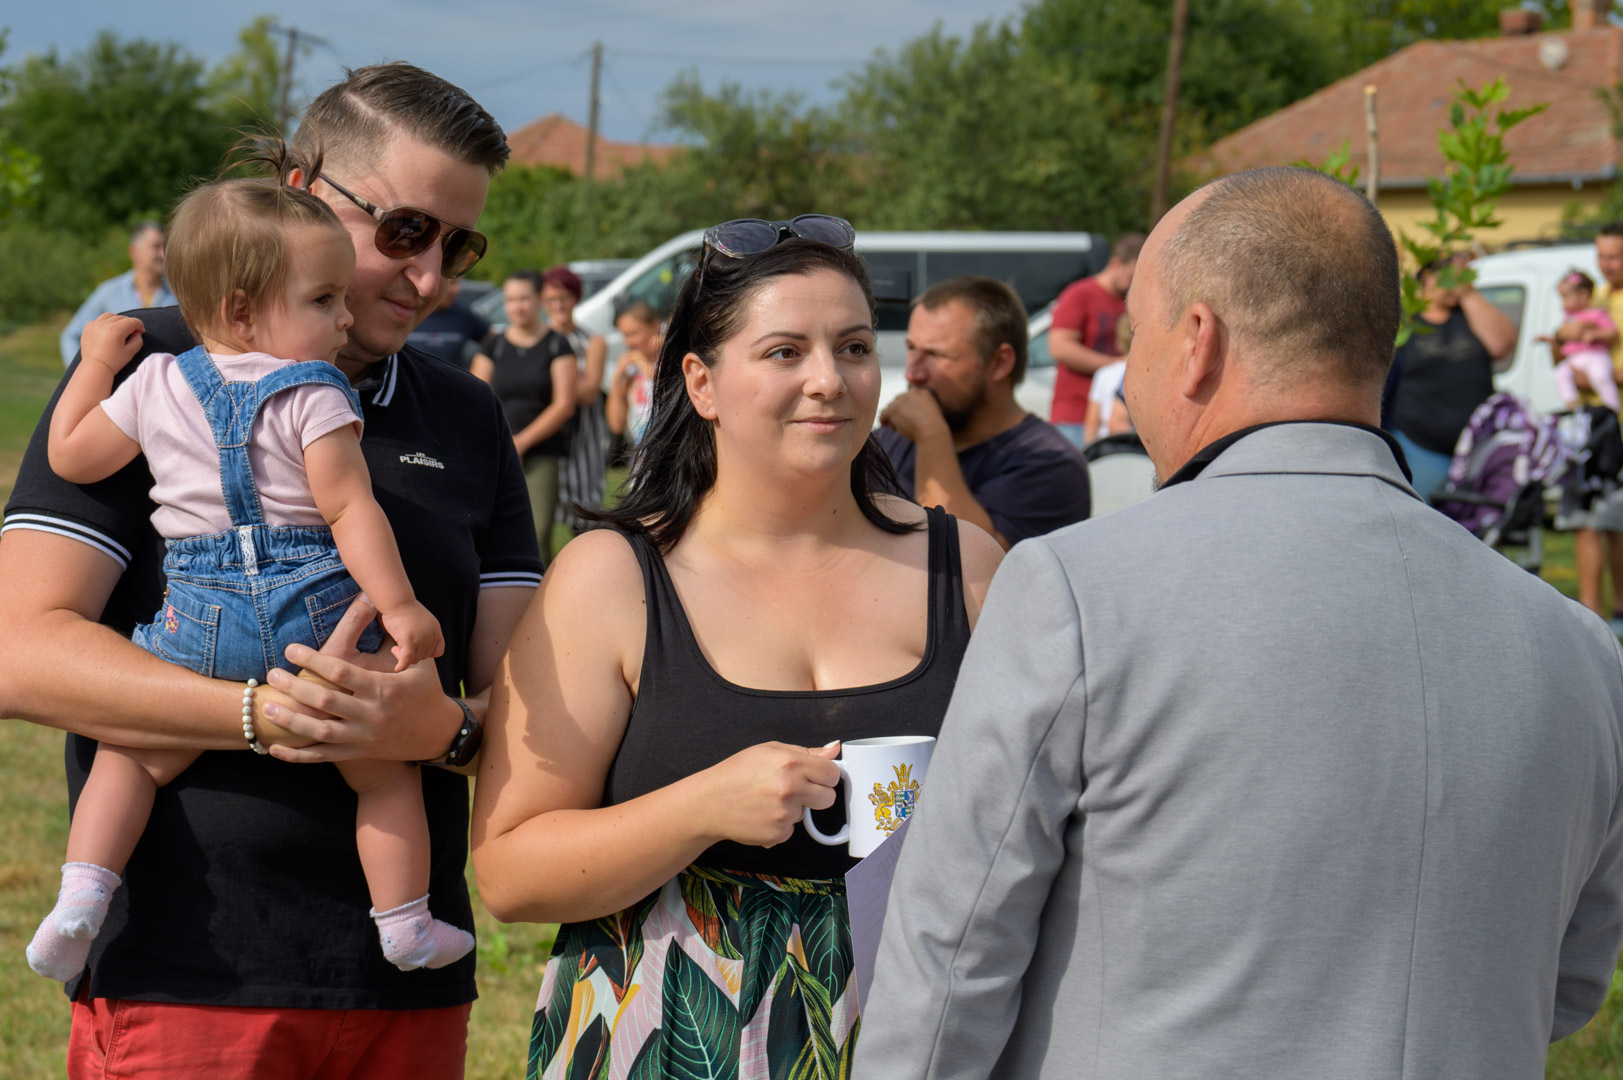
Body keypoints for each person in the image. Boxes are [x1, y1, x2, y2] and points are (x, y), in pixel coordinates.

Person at [855, 166, 1623, 1080]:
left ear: (1196, 343)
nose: (1125, 378)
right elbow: (1568, 983)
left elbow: (948, 964)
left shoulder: (1075, 591)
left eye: (1135, 335)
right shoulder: (1579, 645)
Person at [0, 62, 541, 1079]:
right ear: (301, 195)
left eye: (460, 245)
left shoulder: (468, 415)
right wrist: (268, 715)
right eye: (405, 232)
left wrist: (445, 732)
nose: (432, 280)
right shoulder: (152, 364)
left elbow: (522, 698)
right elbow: (18, 655)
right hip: (183, 979)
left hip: (407, 996)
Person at [468, 218, 1004, 1078]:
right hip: (671, 1033)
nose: (829, 380)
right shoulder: (612, 578)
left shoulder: (967, 567)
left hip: (915, 1029)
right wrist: (700, 808)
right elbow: (508, 872)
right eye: (784, 352)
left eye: (854, 347)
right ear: (701, 382)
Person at [27, 173, 468, 985]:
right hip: (314, 618)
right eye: (323, 300)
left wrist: (92, 366)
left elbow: (72, 455)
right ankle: (405, 922)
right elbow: (350, 510)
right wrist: (401, 605)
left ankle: (82, 896)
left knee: (129, 756)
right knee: (382, 772)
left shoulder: (155, 382)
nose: (344, 318)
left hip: (198, 616)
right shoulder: (317, 392)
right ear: (240, 311)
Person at [876, 275, 1090, 549]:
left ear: (1000, 363)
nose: (912, 372)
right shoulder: (891, 440)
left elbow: (961, 564)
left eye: (936, 355)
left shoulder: (1052, 465)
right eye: (911, 349)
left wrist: (931, 435)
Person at [1383, 256, 1517, 500]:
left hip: (1477, 449)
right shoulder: (1406, 321)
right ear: (1427, 277)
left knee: (1475, 519)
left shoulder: (1469, 315)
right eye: (1451, 275)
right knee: (1426, 516)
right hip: (1420, 445)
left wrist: (1468, 293)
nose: (1457, 282)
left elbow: (1502, 345)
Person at [472, 270, 577, 555]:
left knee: (537, 534)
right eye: (511, 300)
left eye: (524, 299)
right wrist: (505, 442)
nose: (517, 306)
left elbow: (564, 405)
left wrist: (522, 442)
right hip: (495, 452)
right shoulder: (494, 345)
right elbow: (476, 398)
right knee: (492, 534)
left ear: (539, 299)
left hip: (542, 453)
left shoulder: (557, 344)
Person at [1557, 223, 1623, 628]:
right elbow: (1561, 349)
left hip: (1616, 426)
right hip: (1589, 426)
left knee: (1615, 522)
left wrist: (1604, 376)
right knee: (1586, 519)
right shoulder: (1591, 296)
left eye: (1615, 257)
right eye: (1602, 256)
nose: (1607, 265)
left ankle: (1616, 611)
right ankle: (1590, 615)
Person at [1046, 233, 1142, 448]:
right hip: (1074, 414)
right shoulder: (1080, 294)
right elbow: (1059, 347)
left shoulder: (1130, 300)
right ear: (1115, 264)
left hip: (1115, 413)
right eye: (1131, 276)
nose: (1132, 283)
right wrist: (1114, 365)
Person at [543, 265, 610, 536]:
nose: (558, 305)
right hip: (544, 434)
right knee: (540, 516)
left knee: (585, 516)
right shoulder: (539, 339)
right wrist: (573, 383)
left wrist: (549, 384)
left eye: (564, 298)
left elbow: (589, 391)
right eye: (551, 299)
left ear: (575, 299)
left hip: (583, 435)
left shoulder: (592, 342)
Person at [59, 222, 177, 366]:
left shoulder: (179, 294)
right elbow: (71, 335)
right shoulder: (109, 292)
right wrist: (82, 372)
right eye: (156, 246)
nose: (163, 254)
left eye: (165, 247)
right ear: (134, 251)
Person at [1542, 270, 1619, 411]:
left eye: (1566, 297)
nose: (1563, 303)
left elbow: (1611, 332)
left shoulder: (1597, 313)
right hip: (1575, 359)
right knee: (1561, 373)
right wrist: (1555, 339)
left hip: (1595, 355)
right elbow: (1562, 338)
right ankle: (1571, 403)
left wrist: (1594, 335)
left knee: (1600, 376)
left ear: (1583, 296)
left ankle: (1612, 407)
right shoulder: (1569, 318)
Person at [605, 299, 660, 451]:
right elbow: (616, 425)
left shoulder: (671, 356)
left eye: (634, 333)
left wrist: (643, 362)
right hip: (643, 452)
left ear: (655, 327)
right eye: (625, 335)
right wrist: (618, 377)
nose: (628, 342)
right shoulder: (631, 368)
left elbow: (666, 385)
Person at [406, 278, 490, 369]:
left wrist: (479, 371)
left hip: (451, 377)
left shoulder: (463, 315)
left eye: (458, 283)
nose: (457, 290)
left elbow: (494, 342)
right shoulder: (408, 312)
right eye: (451, 283)